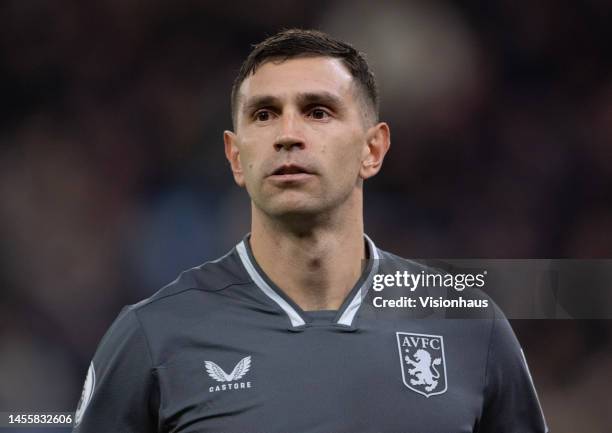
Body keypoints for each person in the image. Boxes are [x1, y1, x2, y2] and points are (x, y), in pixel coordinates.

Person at [72, 29, 548, 432]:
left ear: (373, 149)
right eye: (264, 114)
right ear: (236, 157)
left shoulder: (469, 327)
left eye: (318, 111)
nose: (287, 134)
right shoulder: (154, 335)